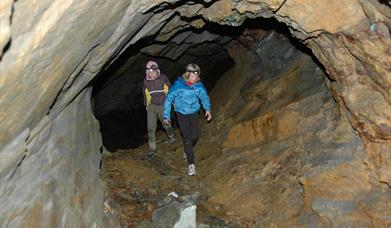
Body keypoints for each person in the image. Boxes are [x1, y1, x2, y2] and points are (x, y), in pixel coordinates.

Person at [163, 63, 212, 176]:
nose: (195, 78)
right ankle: (191, 164)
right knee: (187, 138)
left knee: (195, 136)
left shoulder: (199, 85)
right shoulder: (178, 85)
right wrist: (166, 116)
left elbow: (204, 96)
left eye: (197, 76)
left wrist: (207, 109)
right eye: (193, 76)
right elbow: (169, 99)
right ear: (187, 74)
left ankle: (187, 148)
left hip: (194, 112)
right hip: (181, 113)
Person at [143, 60, 176, 158]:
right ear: (147, 72)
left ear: (157, 71)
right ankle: (152, 149)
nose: (152, 73)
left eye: (153, 71)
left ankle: (171, 136)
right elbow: (145, 94)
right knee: (150, 128)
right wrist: (146, 105)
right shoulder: (146, 82)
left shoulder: (163, 78)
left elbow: (170, 90)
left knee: (166, 124)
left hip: (163, 104)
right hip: (152, 106)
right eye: (150, 71)